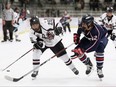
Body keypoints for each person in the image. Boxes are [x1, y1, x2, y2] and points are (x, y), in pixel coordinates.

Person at [71, 14, 108, 79]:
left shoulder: (96, 31)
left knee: (100, 49)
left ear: (90, 24)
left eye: (84, 23)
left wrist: (83, 50)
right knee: (77, 50)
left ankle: (99, 69)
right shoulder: (82, 25)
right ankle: (88, 64)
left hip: (101, 38)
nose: (82, 25)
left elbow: (94, 46)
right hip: (89, 37)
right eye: (82, 23)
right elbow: (79, 30)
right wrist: (77, 36)